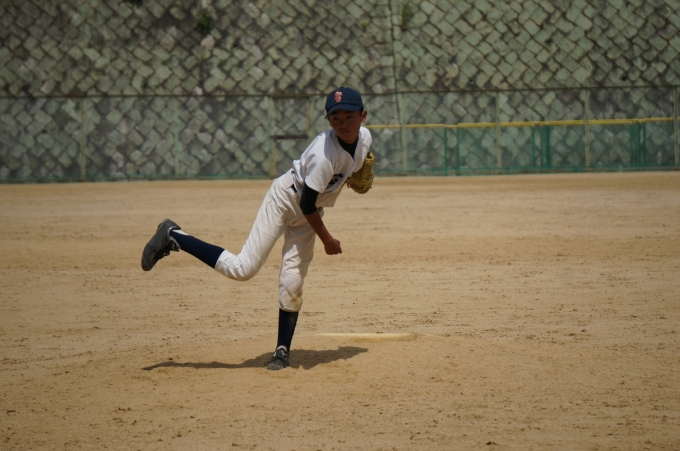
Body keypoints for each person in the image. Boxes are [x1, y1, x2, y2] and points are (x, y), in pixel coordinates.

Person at [141, 87, 373, 370]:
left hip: (310, 212)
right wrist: (327, 240)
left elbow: (357, 160)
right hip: (286, 200)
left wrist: (353, 175)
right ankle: (174, 235)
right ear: (328, 121)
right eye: (335, 118)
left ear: (363, 116)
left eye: (349, 116)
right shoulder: (324, 154)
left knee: (293, 280)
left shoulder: (364, 139)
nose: (343, 124)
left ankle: (281, 352)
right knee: (243, 269)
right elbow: (307, 202)